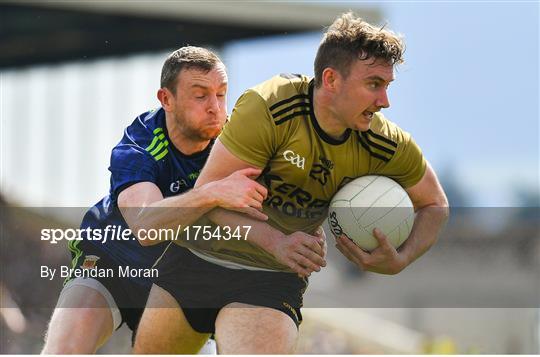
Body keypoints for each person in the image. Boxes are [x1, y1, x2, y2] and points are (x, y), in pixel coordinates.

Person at [134, 12, 449, 354]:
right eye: (373, 84)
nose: (384, 101)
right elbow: (208, 196)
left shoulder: (385, 143)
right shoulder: (269, 106)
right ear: (331, 79)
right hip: (196, 255)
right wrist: (275, 240)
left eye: (387, 86)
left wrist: (402, 258)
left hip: (270, 279)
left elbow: (435, 204)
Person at [41, 46, 268, 354]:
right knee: (64, 350)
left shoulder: (239, 146)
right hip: (114, 264)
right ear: (166, 99)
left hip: (185, 283)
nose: (215, 107)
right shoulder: (140, 144)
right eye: (201, 96)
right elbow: (145, 226)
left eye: (221, 94)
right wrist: (212, 192)